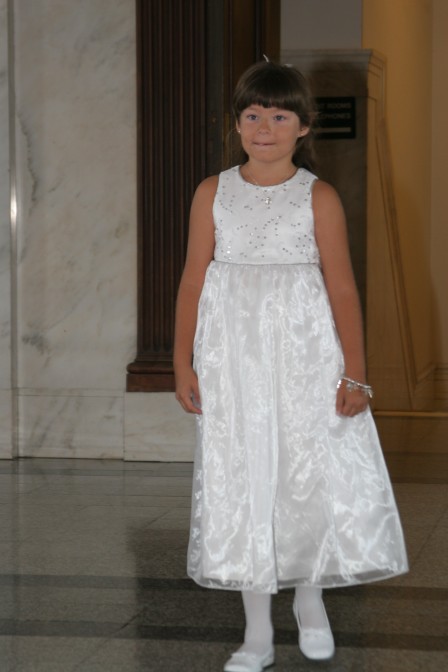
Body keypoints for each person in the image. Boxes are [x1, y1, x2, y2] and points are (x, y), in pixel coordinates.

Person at [174, 60, 408, 672]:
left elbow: (343, 288)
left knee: (307, 472)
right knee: (245, 476)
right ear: (236, 124)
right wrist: (182, 362)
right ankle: (256, 631)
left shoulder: (318, 196)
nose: (265, 128)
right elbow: (193, 280)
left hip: (306, 357)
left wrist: (355, 373)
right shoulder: (212, 192)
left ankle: (310, 599)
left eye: (280, 117)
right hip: (234, 360)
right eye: (253, 115)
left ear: (304, 127)